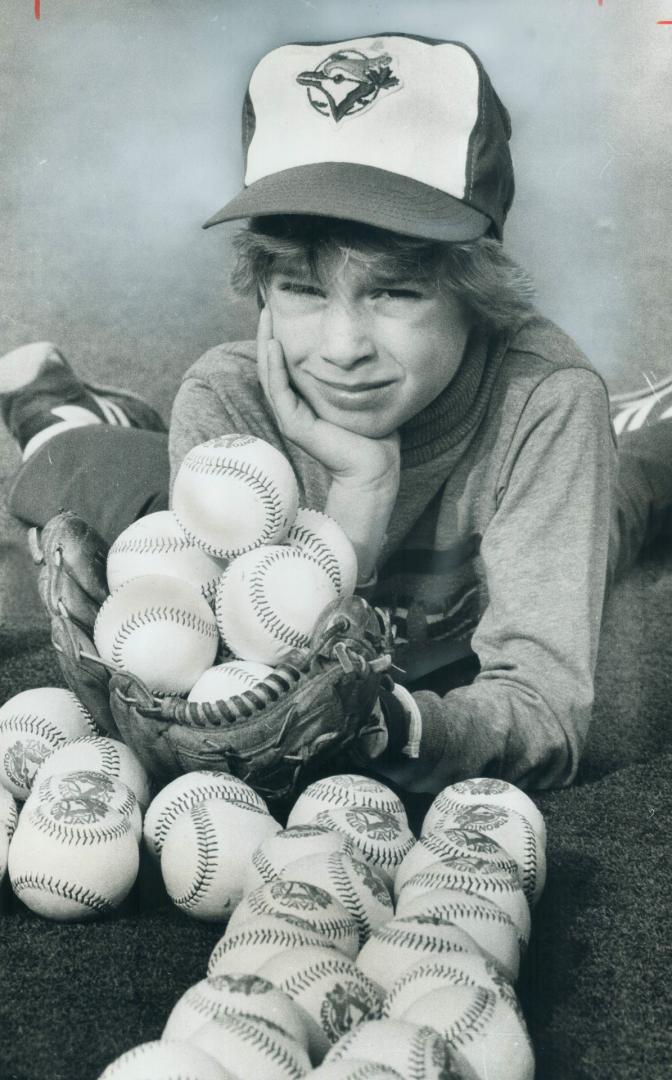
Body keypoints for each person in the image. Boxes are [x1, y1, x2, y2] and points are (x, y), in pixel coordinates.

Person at [1, 33, 670, 794]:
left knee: (627, 494)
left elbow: (545, 717)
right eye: (303, 290)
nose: (345, 346)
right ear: (261, 287)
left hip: (533, 459)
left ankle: (644, 430)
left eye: (395, 291)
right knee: (67, 468)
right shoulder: (230, 401)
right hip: (237, 471)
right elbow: (231, 693)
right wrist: (357, 503)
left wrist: (388, 725)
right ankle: (62, 409)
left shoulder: (541, 403)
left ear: (477, 291)